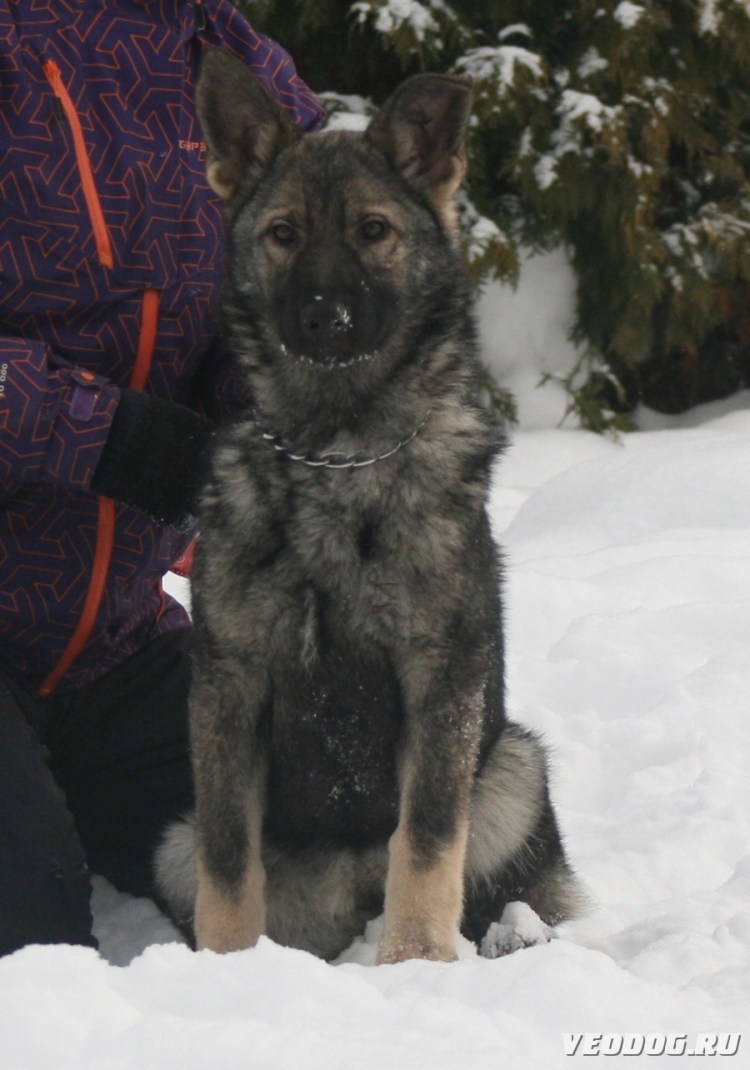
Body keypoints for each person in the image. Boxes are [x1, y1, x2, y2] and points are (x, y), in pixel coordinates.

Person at [0, 0, 324, 955]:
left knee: (303, 877)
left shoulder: (232, 63)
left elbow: (282, 308)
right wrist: (114, 439)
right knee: (36, 945)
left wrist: (269, 433)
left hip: (110, 644)